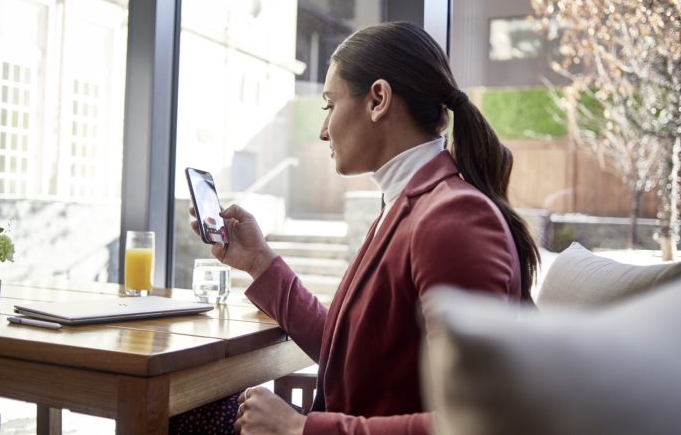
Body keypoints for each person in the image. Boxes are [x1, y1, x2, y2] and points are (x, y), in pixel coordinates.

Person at [187, 21, 539, 435]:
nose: (322, 131)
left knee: (181, 416)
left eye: (329, 105)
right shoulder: (408, 204)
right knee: (193, 410)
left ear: (378, 99)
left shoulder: (453, 218)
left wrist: (299, 429)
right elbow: (354, 356)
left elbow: (479, 423)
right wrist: (259, 262)